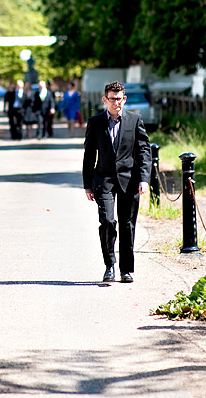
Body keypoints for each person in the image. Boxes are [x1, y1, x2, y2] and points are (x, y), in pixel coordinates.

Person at [82, 81, 151, 283]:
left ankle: (126, 270)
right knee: (108, 221)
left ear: (124, 99)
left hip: (129, 180)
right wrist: (87, 185)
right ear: (105, 100)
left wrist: (144, 179)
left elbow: (144, 151)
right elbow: (89, 156)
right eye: (112, 99)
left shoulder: (135, 120)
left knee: (128, 225)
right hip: (103, 179)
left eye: (119, 99)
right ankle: (109, 264)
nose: (116, 103)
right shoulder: (95, 123)